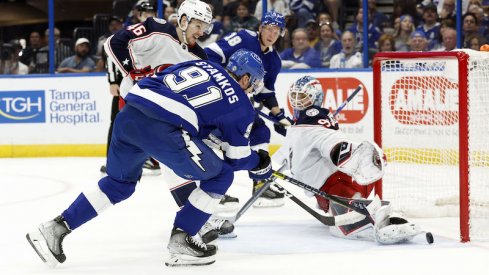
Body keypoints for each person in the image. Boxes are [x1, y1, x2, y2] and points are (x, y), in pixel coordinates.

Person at [26, 49, 271, 267]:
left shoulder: (200, 64)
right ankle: (182, 239)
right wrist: (259, 163)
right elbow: (237, 159)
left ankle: (54, 228)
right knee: (221, 175)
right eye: (253, 84)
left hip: (129, 114)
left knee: (118, 184)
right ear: (246, 77)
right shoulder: (240, 104)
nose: (252, 90)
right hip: (163, 129)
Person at [271, 75, 425, 244]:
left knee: (372, 165)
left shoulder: (312, 126)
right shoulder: (302, 128)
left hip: (336, 187)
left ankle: (377, 214)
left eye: (302, 97)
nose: (297, 101)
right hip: (333, 190)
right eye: (294, 97)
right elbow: (308, 145)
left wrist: (349, 152)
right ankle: (375, 219)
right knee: (369, 172)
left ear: (315, 97)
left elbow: (330, 142)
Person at [104, 0, 212, 175]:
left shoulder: (199, 57)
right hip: (134, 107)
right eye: (198, 26)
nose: (202, 32)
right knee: (120, 179)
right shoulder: (157, 28)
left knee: (179, 162)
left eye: (205, 27)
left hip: (163, 115)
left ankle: (203, 195)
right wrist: (132, 72)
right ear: (184, 21)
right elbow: (113, 43)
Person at [205, 11, 291, 208]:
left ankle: (260, 183)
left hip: (237, 103)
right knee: (220, 139)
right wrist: (227, 83)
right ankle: (212, 189)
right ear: (260, 27)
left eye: (276, 31)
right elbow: (210, 55)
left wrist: (278, 114)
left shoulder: (274, 61)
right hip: (218, 97)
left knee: (260, 131)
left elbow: (265, 92)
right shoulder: (243, 37)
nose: (271, 34)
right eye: (269, 28)